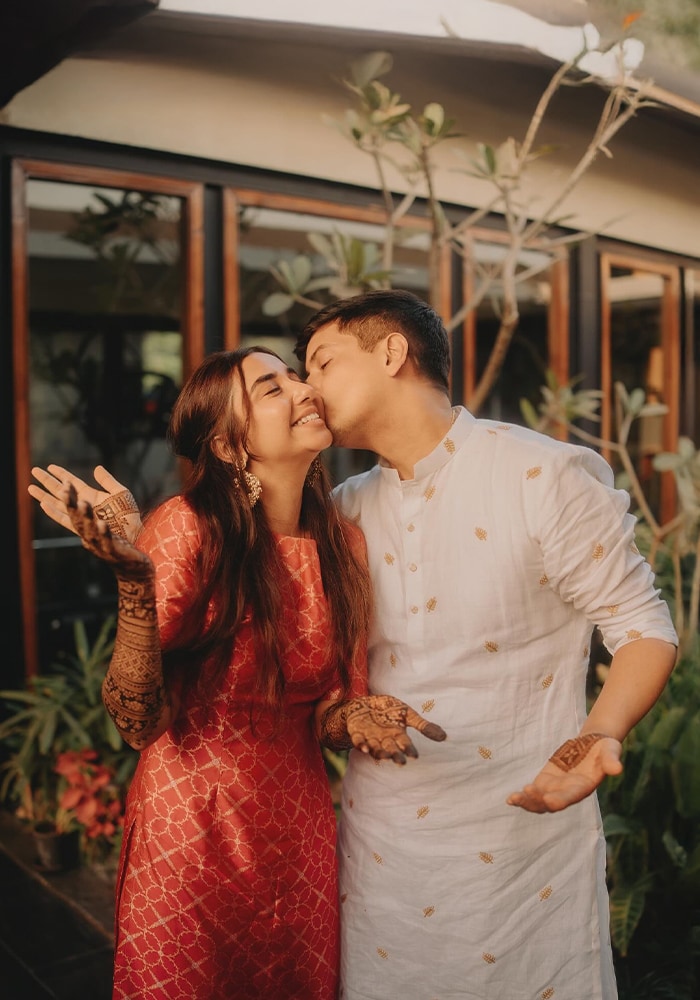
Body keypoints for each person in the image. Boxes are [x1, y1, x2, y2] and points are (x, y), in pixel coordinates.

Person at [32, 291, 678, 1000]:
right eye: (283, 380)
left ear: (392, 354)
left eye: (317, 364)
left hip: (484, 839)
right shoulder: (319, 513)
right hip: (324, 844)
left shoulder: (511, 482)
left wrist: (597, 733)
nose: (307, 387)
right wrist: (141, 569)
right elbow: (168, 697)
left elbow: (640, 622)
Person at [29, 344, 445, 1000]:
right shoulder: (189, 526)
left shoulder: (345, 545)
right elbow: (137, 721)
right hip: (192, 829)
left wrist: (358, 716)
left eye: (295, 377)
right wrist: (134, 582)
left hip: (300, 834)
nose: (303, 390)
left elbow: (331, 710)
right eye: (272, 389)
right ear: (228, 445)